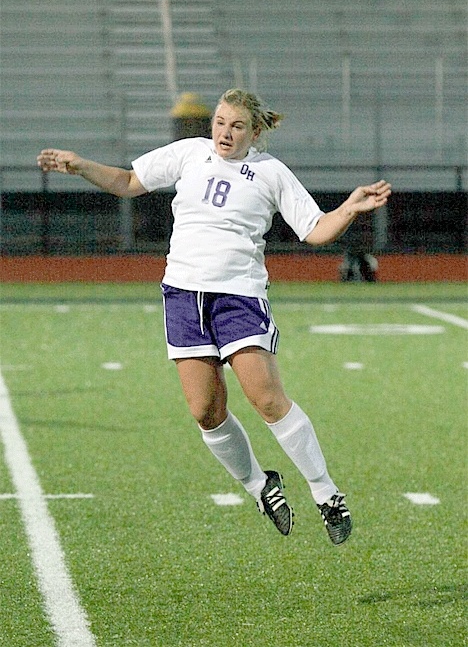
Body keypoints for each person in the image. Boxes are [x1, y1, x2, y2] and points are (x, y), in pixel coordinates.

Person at [37, 88, 391, 544]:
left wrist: (348, 209)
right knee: (205, 411)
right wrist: (80, 165)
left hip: (238, 296)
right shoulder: (189, 154)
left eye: (237, 125)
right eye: (220, 122)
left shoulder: (270, 172)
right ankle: (261, 486)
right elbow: (128, 182)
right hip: (183, 296)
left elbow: (314, 229)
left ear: (255, 131)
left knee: (266, 400)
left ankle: (326, 493)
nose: (225, 132)